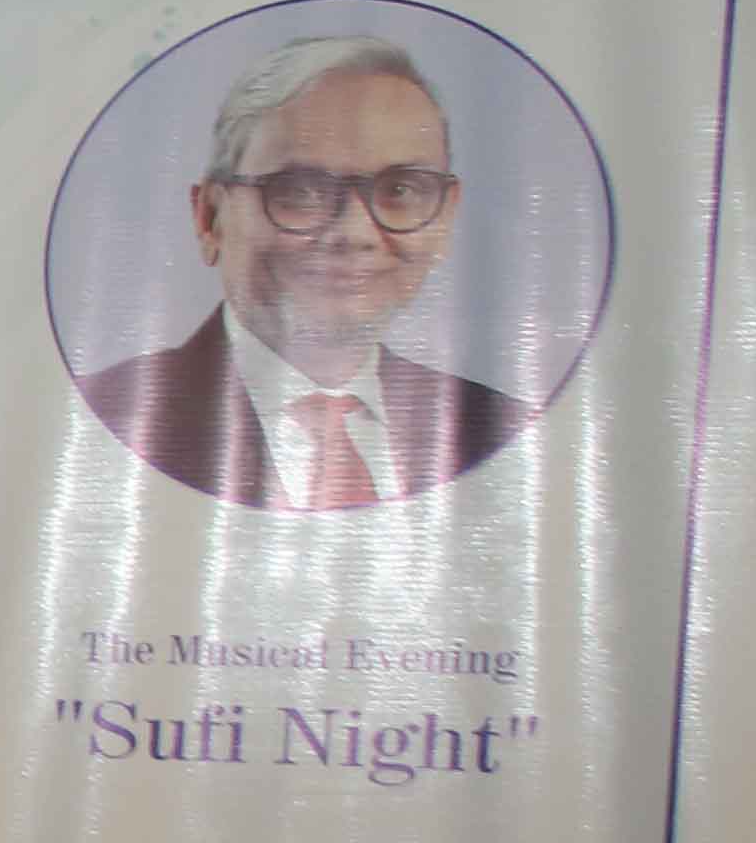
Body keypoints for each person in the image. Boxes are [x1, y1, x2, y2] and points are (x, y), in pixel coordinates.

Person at [78, 34, 536, 511]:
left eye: (400, 190)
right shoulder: (104, 419)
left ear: (444, 217)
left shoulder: (502, 432)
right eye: (300, 191)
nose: (354, 233)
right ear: (211, 218)